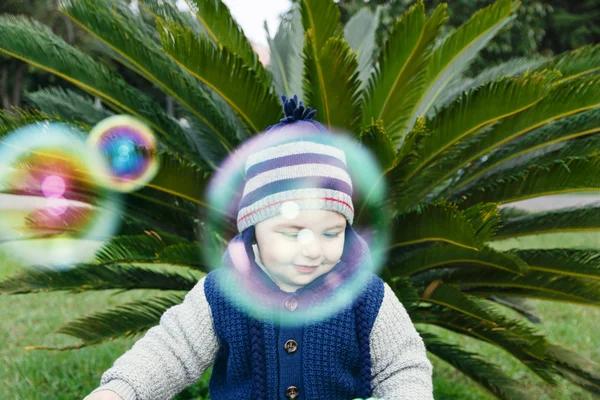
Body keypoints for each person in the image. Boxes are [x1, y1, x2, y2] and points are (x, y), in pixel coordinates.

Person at [84, 96, 433, 400]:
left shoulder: (367, 296)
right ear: (254, 229)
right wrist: (121, 389)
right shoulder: (223, 293)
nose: (312, 250)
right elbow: (173, 349)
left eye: (331, 233)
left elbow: (403, 367)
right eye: (292, 233)